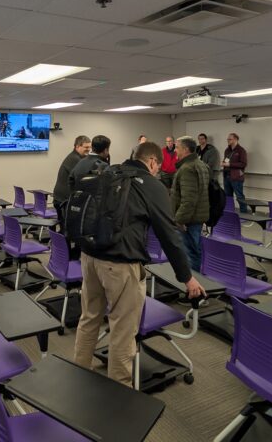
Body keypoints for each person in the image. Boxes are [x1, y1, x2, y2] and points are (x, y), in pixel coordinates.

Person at [73, 141, 205, 387]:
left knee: (89, 317)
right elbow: (169, 236)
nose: (157, 171)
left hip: (89, 257)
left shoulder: (109, 172)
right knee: (123, 332)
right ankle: (120, 395)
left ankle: (79, 376)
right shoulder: (152, 186)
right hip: (120, 265)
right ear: (153, 162)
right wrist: (187, 277)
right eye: (157, 166)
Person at [171, 136, 209, 272]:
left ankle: (194, 287)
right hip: (195, 217)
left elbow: (188, 200)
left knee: (191, 253)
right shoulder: (200, 164)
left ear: (186, 149)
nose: (175, 150)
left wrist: (179, 220)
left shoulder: (187, 168)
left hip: (189, 219)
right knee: (193, 250)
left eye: (177, 147)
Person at [53, 135, 90, 222]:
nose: (89, 149)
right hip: (63, 200)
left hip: (60, 198)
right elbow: (83, 179)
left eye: (90, 147)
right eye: (86, 147)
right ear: (77, 146)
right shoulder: (75, 159)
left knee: (64, 226)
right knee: (67, 228)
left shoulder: (74, 157)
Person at [222, 133, 248, 213]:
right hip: (226, 176)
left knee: (239, 196)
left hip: (236, 177)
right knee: (228, 197)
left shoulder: (241, 150)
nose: (228, 140)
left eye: (230, 139)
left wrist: (230, 164)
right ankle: (229, 213)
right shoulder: (227, 150)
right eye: (227, 139)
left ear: (236, 139)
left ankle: (244, 214)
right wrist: (223, 163)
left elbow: (243, 164)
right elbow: (226, 160)